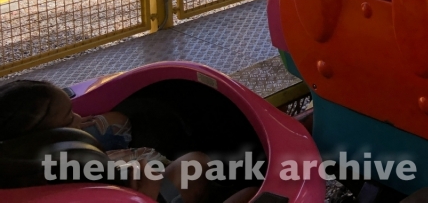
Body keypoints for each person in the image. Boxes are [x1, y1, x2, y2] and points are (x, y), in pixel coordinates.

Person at [0, 80, 257, 203]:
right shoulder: (78, 169)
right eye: (69, 119)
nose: (80, 118)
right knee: (246, 190)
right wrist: (142, 193)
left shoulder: (22, 170)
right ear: (53, 140)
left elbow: (117, 120)